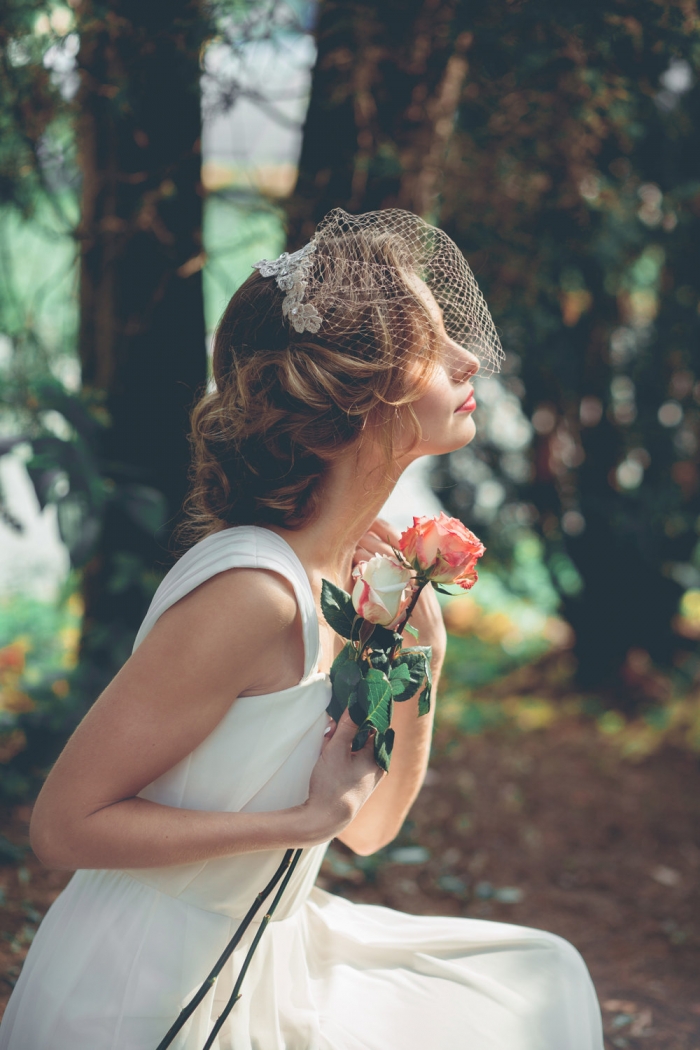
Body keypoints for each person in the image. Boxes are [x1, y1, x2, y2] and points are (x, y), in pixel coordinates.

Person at [0, 209, 604, 1049]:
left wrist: (420, 653)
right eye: (435, 348)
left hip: (266, 948)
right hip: (145, 986)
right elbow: (61, 826)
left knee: (535, 978)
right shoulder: (253, 594)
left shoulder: (351, 584)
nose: (471, 360)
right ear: (354, 397)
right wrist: (295, 824)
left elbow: (368, 826)